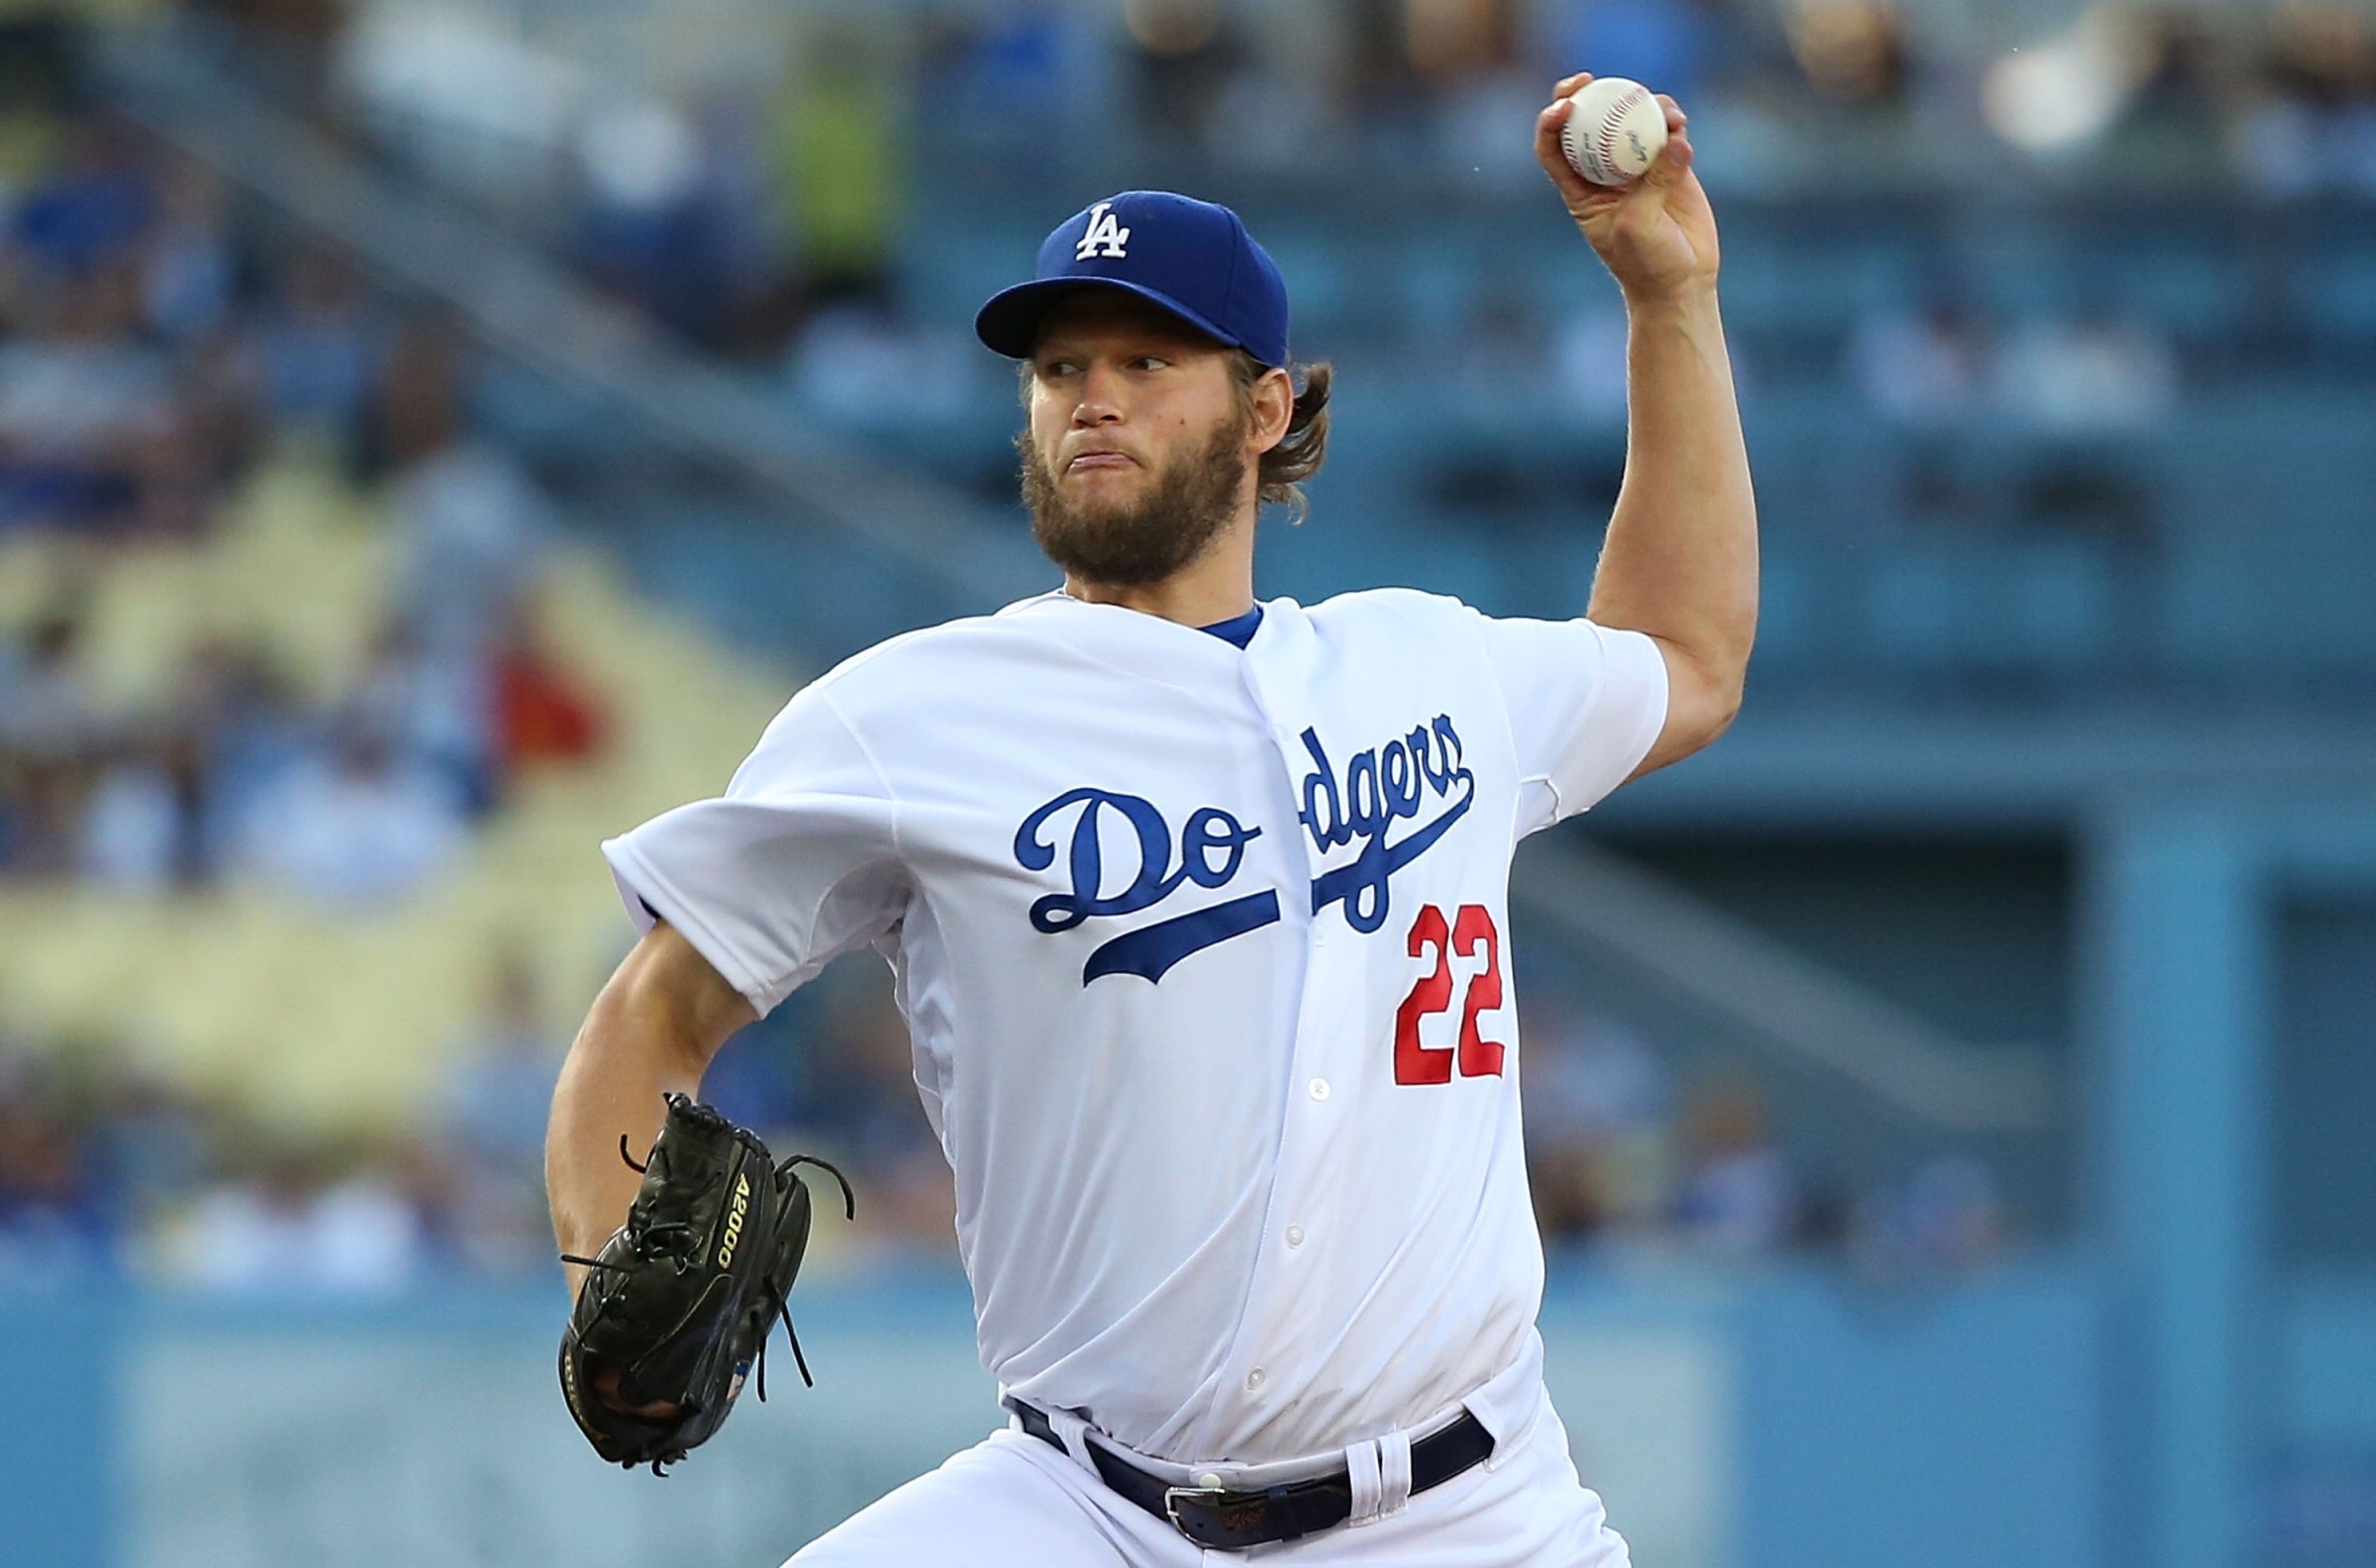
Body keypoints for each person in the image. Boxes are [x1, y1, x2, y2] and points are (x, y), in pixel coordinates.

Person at [546, 69, 1752, 1567]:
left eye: (1144, 355)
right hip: (1084, 1511)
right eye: (1057, 368)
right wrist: (608, 1266)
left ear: (1267, 408)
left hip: (1469, 1516)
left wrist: (1670, 299)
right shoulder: (911, 717)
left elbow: (1689, 663)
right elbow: (654, 1014)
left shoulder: (1429, 669)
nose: (1090, 396)